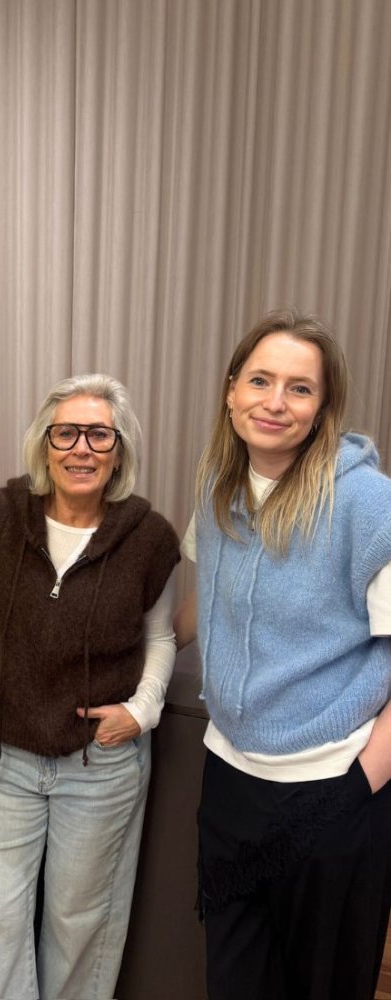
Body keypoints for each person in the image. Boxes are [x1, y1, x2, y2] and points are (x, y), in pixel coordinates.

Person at [174, 309, 391, 1000]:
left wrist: (358, 787)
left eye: (300, 388)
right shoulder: (220, 487)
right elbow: (209, 598)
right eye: (260, 380)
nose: (275, 402)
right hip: (231, 780)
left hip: (330, 787)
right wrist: (133, 659)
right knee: (236, 978)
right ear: (231, 390)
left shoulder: (368, 504)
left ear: (323, 406)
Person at [0, 373, 180, 1000]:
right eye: (67, 433)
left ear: (119, 451)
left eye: (99, 435)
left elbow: (160, 637)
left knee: (78, 925)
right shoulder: (0, 517)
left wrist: (141, 711)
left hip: (99, 765)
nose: (82, 448)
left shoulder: (150, 537)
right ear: (45, 444)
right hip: (6, 757)